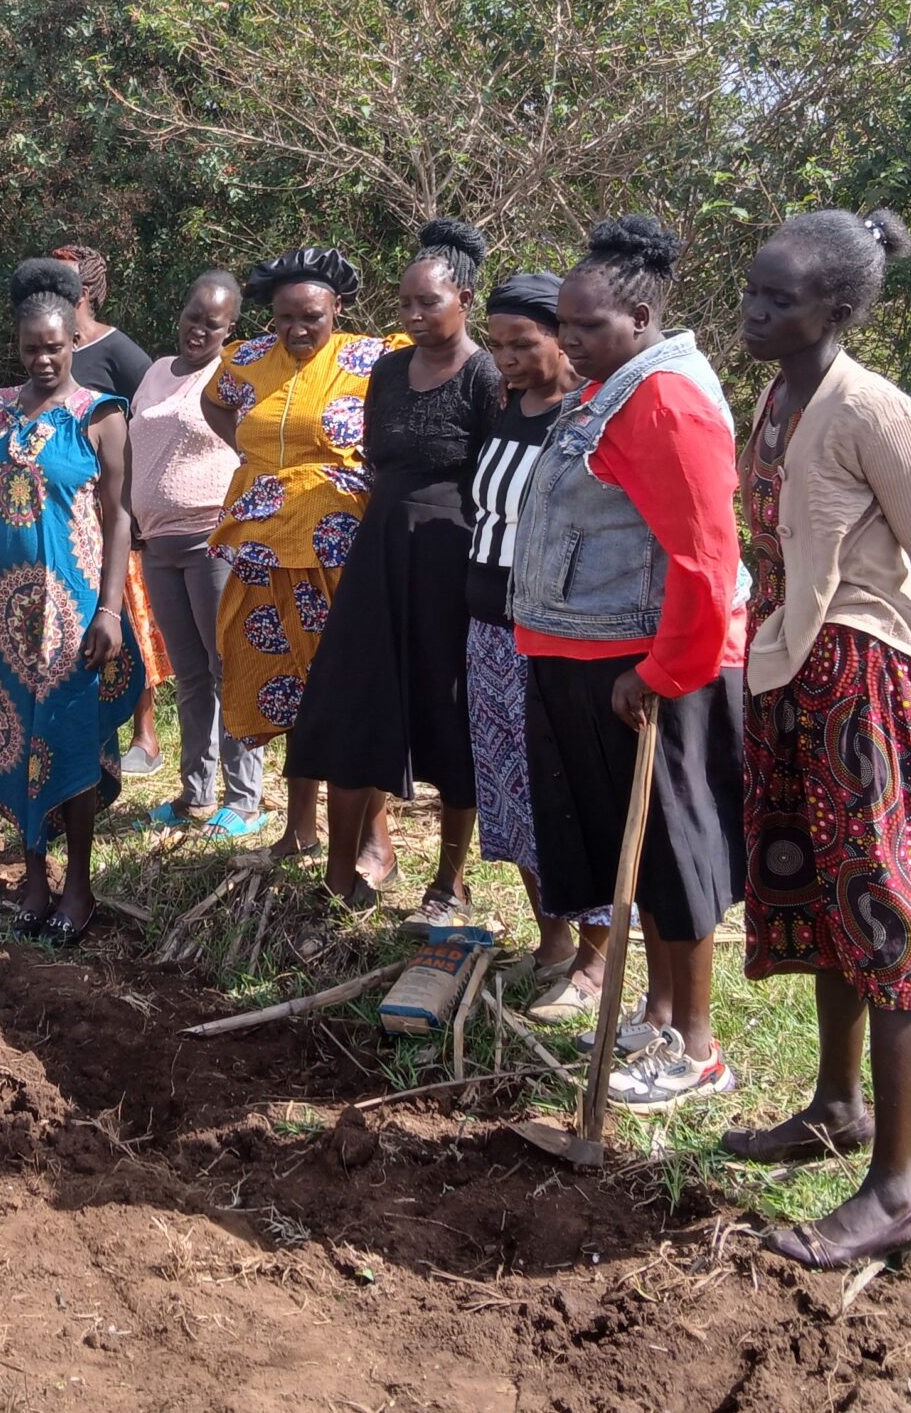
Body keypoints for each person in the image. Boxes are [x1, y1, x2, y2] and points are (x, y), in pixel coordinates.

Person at [721, 208, 911, 1269]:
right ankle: (835, 1107)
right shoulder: (775, 396)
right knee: (828, 904)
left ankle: (893, 1189)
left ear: (835, 309)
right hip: (792, 672)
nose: (752, 313)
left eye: (777, 300)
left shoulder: (874, 411)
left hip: (869, 687)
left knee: (885, 921)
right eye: (750, 292)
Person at [509, 215, 746, 1110]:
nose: (567, 342)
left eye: (584, 328)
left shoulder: (668, 401)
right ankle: (654, 1016)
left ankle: (696, 1049)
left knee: (672, 857)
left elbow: (705, 559)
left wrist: (660, 675)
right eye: (561, 326)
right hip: (591, 652)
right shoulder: (615, 387)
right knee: (634, 859)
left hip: (643, 668)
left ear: (641, 317)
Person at [0, 258, 144, 944]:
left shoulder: (100, 414)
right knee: (17, 743)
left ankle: (78, 885)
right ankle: (34, 877)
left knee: (68, 742)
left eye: (56, 345)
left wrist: (111, 608)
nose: (45, 358)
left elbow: (120, 517)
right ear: (17, 347)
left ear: (75, 341)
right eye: (32, 348)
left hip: (71, 611)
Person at [291, 221, 503, 913]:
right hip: (380, 552)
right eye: (404, 304)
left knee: (449, 714)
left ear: (464, 299)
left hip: (449, 564)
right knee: (356, 700)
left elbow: (492, 476)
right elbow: (379, 459)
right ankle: (342, 873)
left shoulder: (485, 375)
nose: (412, 316)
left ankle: (448, 882)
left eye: (427, 303)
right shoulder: (386, 369)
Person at [200, 247, 397, 858]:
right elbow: (212, 401)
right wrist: (255, 463)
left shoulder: (371, 359)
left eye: (311, 315)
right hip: (263, 549)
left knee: (349, 687)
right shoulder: (250, 360)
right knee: (284, 682)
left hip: (340, 549)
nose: (298, 329)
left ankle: (374, 834)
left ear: (337, 308)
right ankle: (299, 827)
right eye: (285, 317)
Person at [464, 272, 616, 1015]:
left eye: (522, 343)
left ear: (562, 337)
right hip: (489, 628)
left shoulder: (588, 418)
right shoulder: (505, 409)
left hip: (555, 635)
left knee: (570, 791)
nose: (508, 358)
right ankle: (550, 938)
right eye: (497, 346)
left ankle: (596, 961)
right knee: (509, 791)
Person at [130, 271, 261, 834]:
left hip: (212, 539)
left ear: (230, 327)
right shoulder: (157, 372)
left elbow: (251, 449)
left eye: (214, 323)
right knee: (188, 674)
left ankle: (245, 798)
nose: (199, 330)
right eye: (193, 317)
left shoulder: (231, 376)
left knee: (227, 666)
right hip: (157, 543)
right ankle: (196, 793)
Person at [53, 241, 168, 774]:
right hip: (66, 510)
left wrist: (140, 500)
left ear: (89, 290)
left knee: (122, 616)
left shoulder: (118, 351)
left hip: (114, 510)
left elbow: (156, 417)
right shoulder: (52, 347)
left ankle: (146, 734)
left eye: (66, 281)